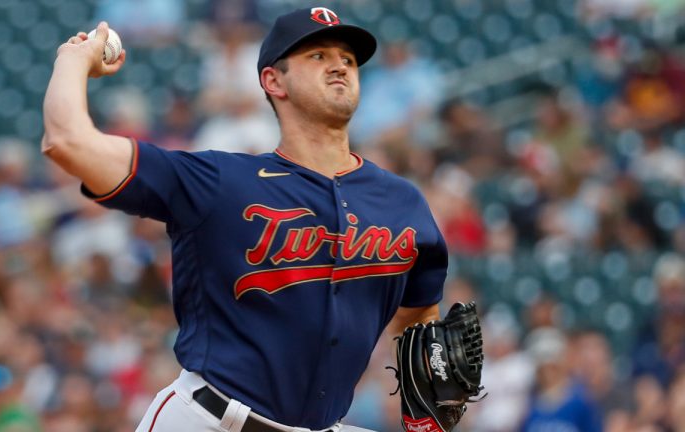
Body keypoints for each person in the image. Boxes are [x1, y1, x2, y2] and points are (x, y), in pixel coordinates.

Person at [42, 7, 449, 432]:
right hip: (208, 420)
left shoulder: (401, 202)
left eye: (347, 59)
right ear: (274, 81)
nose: (339, 65)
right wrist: (72, 61)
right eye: (318, 56)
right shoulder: (219, 180)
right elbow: (67, 142)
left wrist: (424, 391)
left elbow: (419, 315)